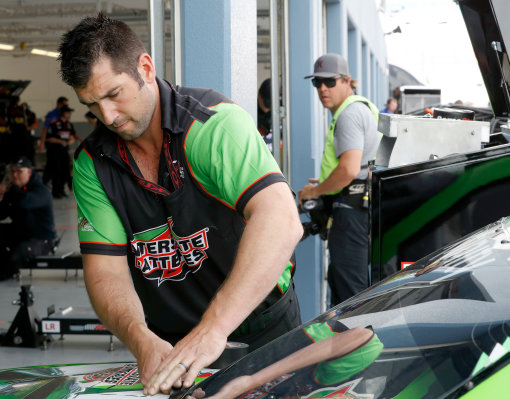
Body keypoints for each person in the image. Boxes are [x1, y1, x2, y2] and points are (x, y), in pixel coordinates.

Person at [58, 13, 303, 396]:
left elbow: (281, 220)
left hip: (259, 326)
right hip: (168, 344)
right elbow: (105, 271)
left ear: (145, 68)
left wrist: (213, 330)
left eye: (113, 94)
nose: (107, 116)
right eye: (91, 104)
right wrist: (140, 339)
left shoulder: (211, 126)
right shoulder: (93, 163)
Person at [298, 53, 381, 307]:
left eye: (329, 82)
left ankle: (355, 345)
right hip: (363, 208)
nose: (323, 89)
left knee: (350, 298)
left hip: (353, 213)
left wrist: (314, 192)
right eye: (317, 83)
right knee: (348, 287)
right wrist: (326, 182)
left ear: (346, 81)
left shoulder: (349, 115)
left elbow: (347, 170)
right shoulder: (361, 107)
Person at [0, 156, 57, 280]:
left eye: (19, 172)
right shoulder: (15, 190)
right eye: (13, 171)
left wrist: (11, 189)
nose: (15, 175)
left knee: (20, 253)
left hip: (41, 240)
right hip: (21, 235)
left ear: (29, 172)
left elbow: (25, 202)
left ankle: (4, 274)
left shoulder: (42, 191)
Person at [45, 105, 77, 198]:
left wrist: (70, 141)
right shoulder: (54, 124)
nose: (69, 114)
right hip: (54, 152)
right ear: (63, 113)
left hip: (64, 152)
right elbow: (48, 138)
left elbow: (72, 136)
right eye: (68, 112)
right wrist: (60, 141)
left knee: (65, 171)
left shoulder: (69, 124)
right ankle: (56, 192)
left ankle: (62, 190)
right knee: (56, 172)